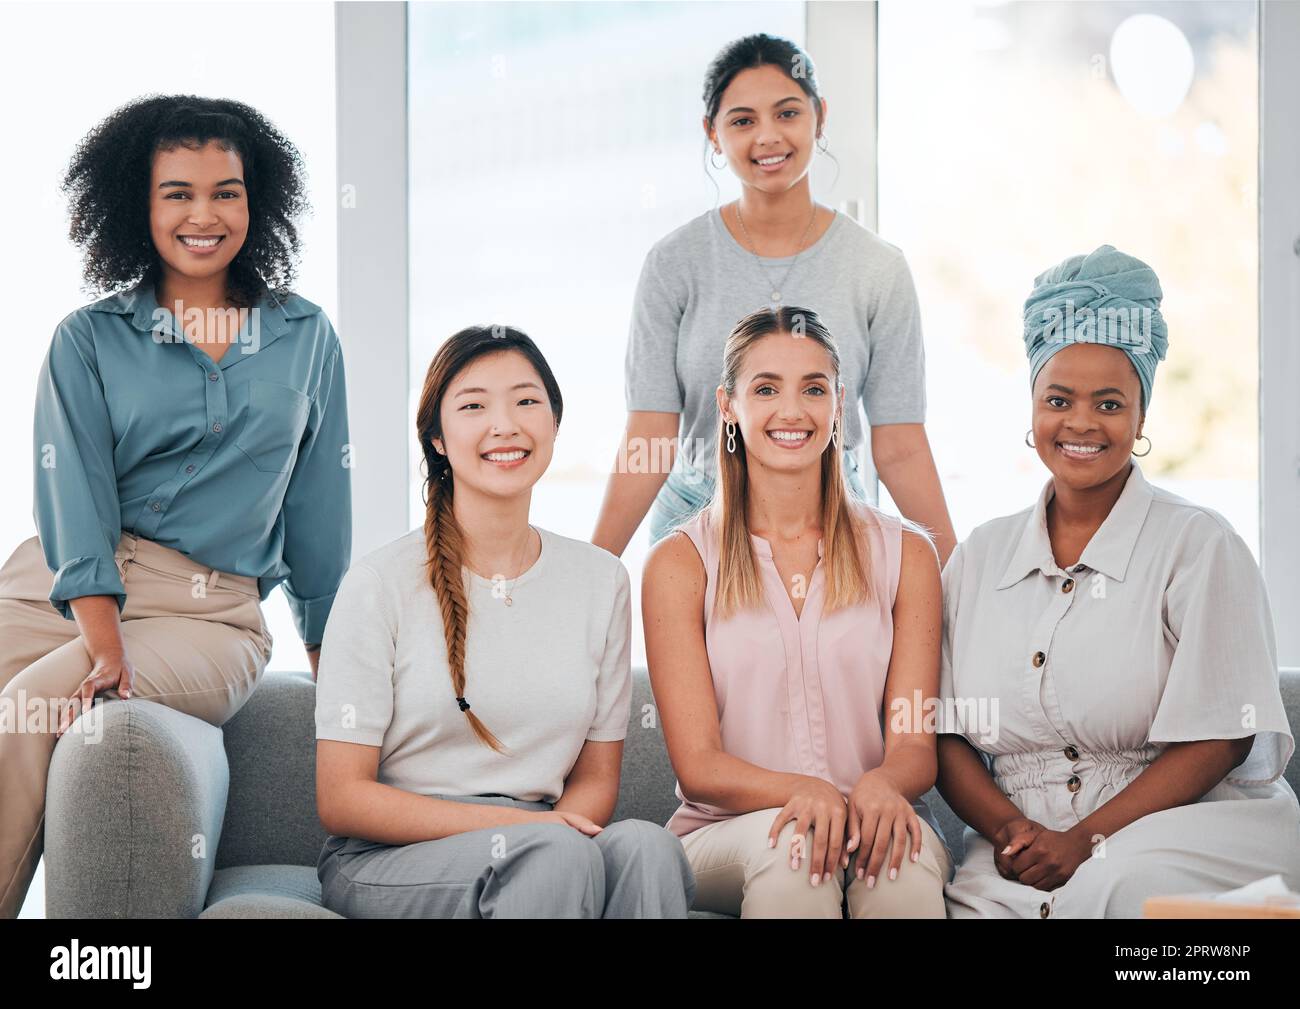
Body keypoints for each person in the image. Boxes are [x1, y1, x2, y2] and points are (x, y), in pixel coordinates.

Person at [0, 95, 351, 917]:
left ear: (257, 201)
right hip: (61, 583)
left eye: (226, 191)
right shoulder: (87, 338)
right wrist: (101, 628)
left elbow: (318, 513)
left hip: (209, 611)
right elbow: (74, 492)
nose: (205, 214)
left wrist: (335, 666)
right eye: (177, 193)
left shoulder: (306, 337)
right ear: (138, 205)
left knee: (36, 703)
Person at [937, 245, 1300, 918]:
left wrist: (1082, 841)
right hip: (1016, 847)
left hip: (1184, 831)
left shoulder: (1200, 544)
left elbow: (1224, 734)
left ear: (1140, 418)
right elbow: (944, 731)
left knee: (1117, 891)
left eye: (1109, 402)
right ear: (1033, 408)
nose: (1080, 422)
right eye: (1058, 399)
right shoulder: (979, 557)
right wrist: (1015, 834)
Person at [314, 326, 694, 918]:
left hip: (543, 841)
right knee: (551, 855)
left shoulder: (601, 580)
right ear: (438, 439)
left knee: (651, 848)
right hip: (388, 854)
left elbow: (597, 778)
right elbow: (342, 799)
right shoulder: (377, 583)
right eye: (473, 406)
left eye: (525, 401)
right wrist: (516, 828)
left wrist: (542, 832)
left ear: (554, 424)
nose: (505, 424)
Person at [594, 33, 955, 564]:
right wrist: (593, 572)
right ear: (712, 135)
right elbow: (650, 436)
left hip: (836, 515)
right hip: (697, 514)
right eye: (742, 120)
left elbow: (900, 444)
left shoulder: (878, 267)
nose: (767, 137)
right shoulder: (674, 263)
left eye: (787, 113)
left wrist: (957, 584)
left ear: (819, 117)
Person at [643, 306, 951, 918]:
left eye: (813, 388)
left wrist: (882, 784)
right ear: (728, 405)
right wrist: (804, 793)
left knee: (902, 876)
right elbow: (700, 767)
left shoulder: (908, 554)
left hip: (876, 818)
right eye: (766, 389)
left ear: (839, 403)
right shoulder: (678, 565)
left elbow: (914, 745)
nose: (792, 411)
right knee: (795, 858)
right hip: (728, 833)